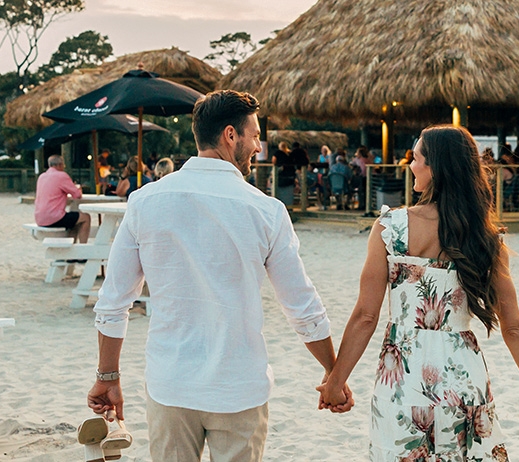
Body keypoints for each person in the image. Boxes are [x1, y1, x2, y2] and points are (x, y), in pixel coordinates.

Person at [88, 90, 341, 462]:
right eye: (255, 136)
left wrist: (107, 377)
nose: (259, 146)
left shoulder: (145, 202)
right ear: (230, 135)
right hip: (238, 387)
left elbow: (113, 303)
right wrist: (333, 372)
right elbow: (302, 307)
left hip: (171, 384)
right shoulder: (266, 211)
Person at [318, 125, 519, 460]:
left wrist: (335, 382)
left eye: (416, 158)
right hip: (464, 379)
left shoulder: (390, 229)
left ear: (434, 167)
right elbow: (514, 327)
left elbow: (365, 317)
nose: (410, 165)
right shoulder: (484, 238)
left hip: (403, 379)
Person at [36, 155, 90, 243]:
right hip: (54, 218)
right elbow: (77, 195)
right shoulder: (61, 176)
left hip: (40, 218)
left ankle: (71, 244)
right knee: (86, 217)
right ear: (60, 165)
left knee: (74, 219)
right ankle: (83, 247)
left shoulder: (42, 177)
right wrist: (78, 189)